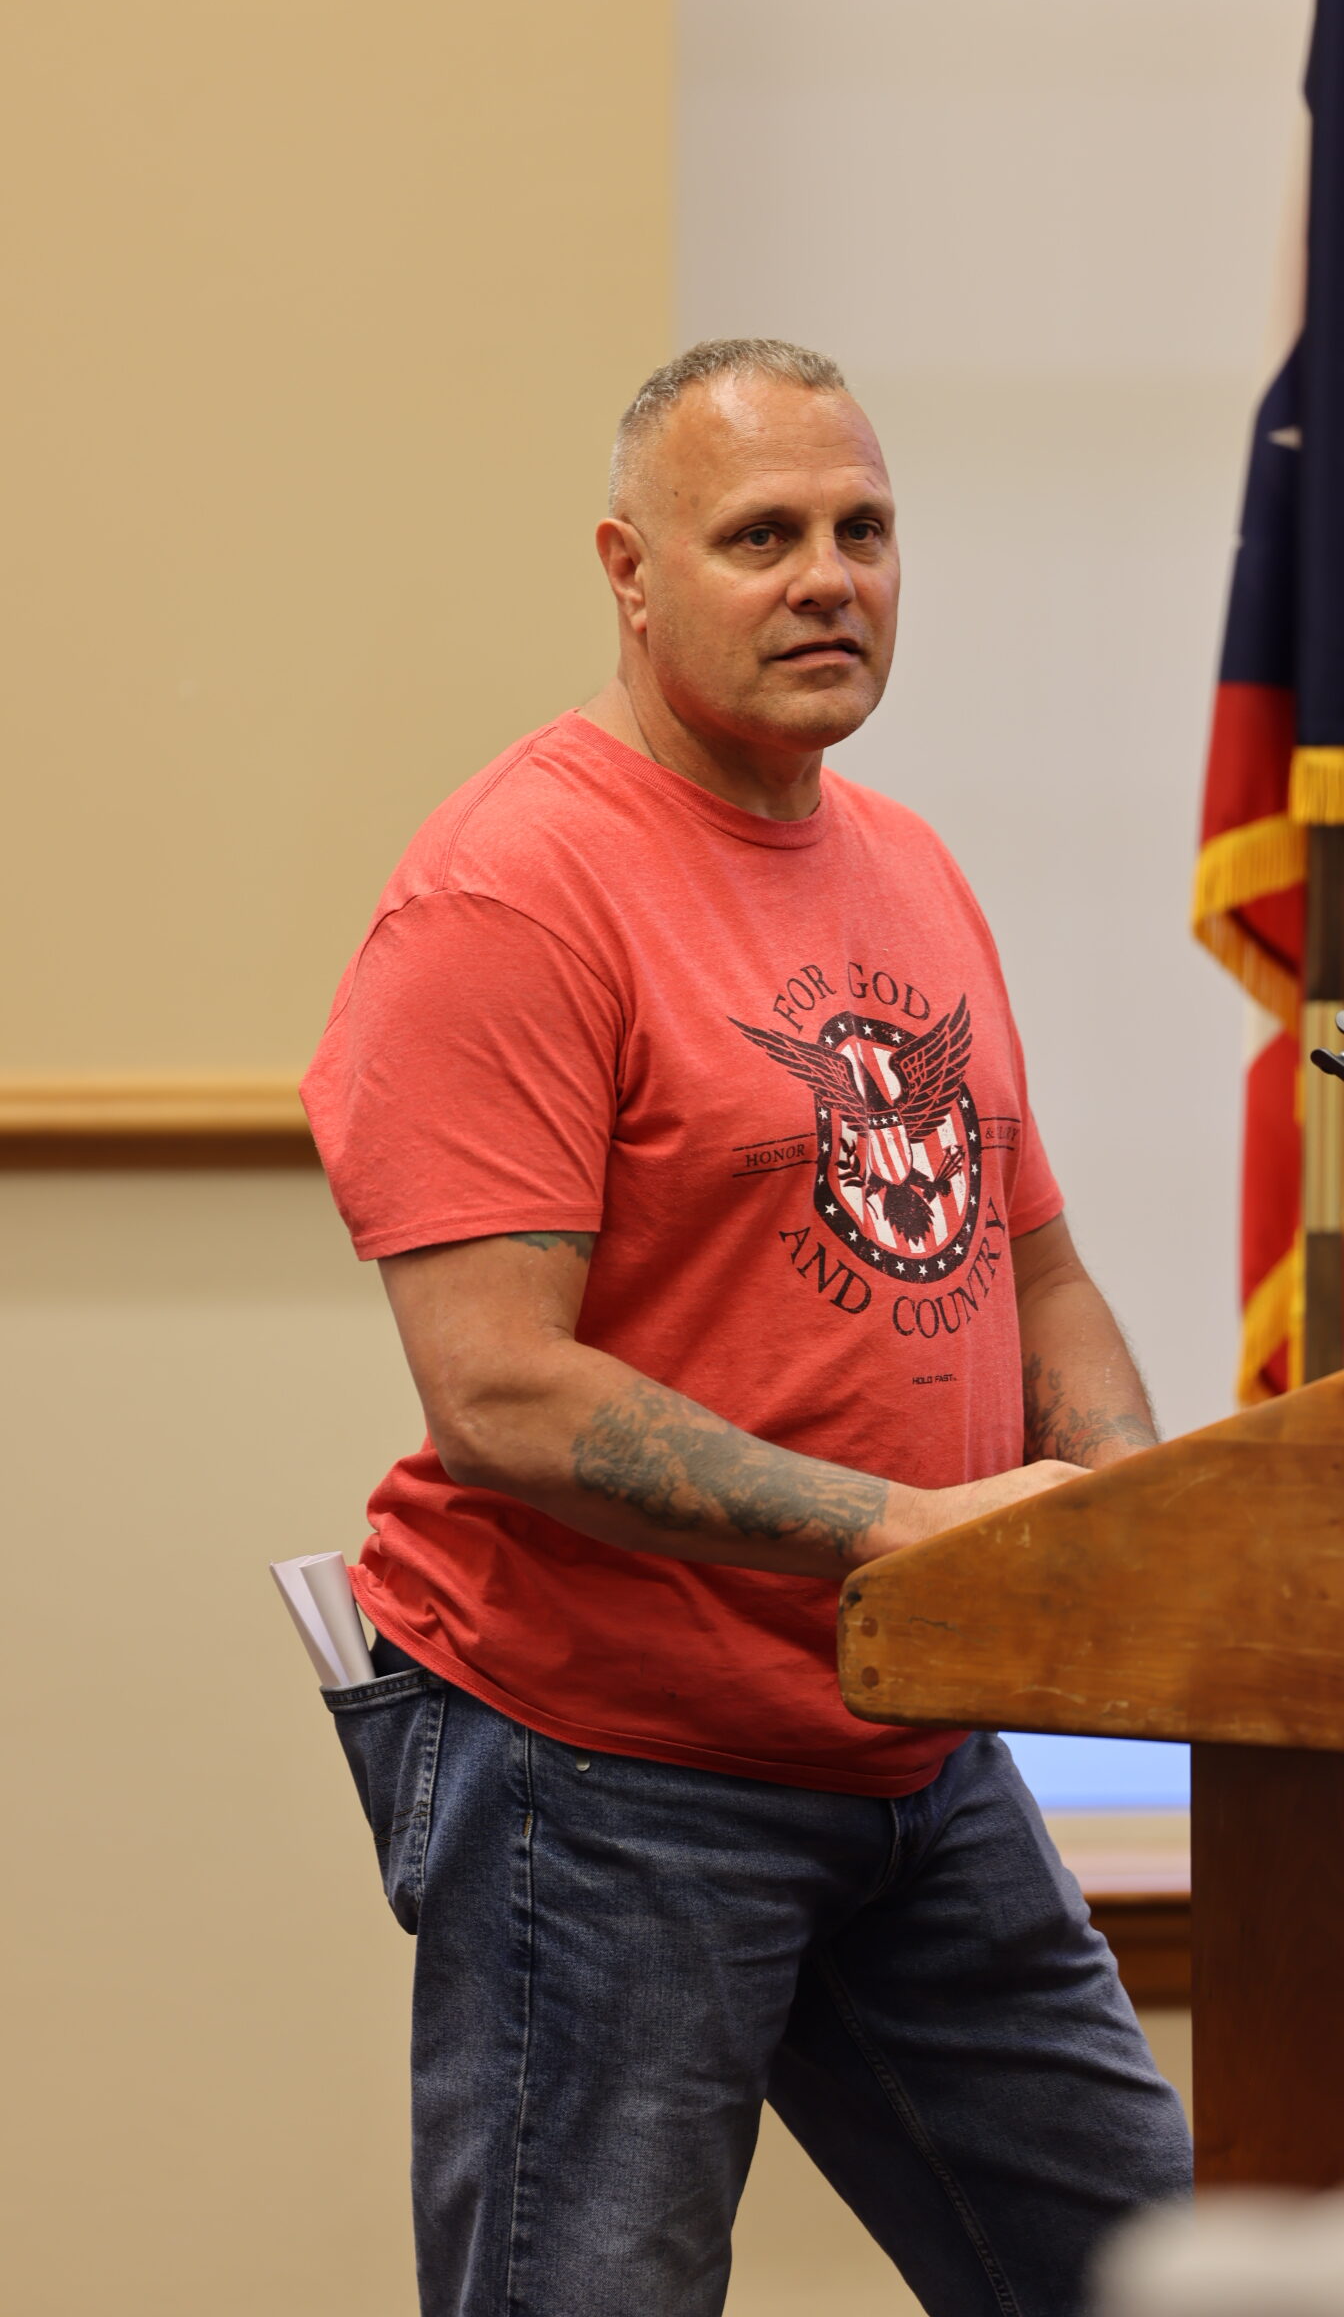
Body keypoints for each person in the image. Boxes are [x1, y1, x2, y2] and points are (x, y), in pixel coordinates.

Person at [301, 337, 1192, 2317]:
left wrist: (1134, 1530)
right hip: (608, 1774)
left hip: (914, 1755)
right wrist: (906, 1529)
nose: (830, 580)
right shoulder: (510, 890)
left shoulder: (909, 866)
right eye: (762, 536)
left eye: (865, 530)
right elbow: (502, 1393)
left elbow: (1036, 1271)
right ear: (629, 570)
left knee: (1161, 2276)